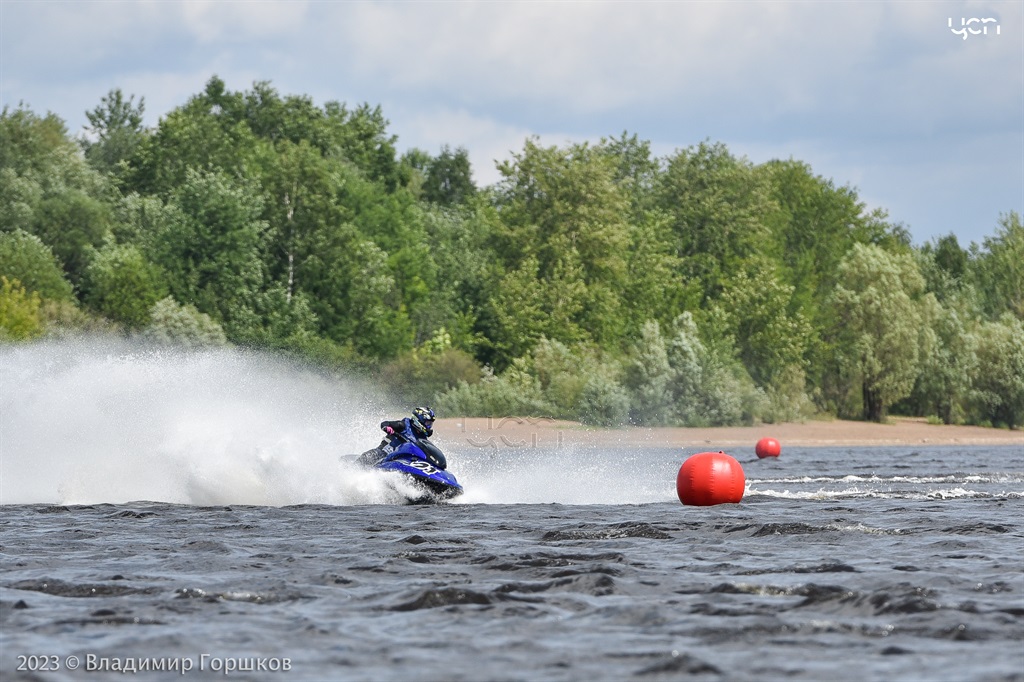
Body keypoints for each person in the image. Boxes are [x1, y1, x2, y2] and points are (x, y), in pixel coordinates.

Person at [357, 407, 447, 469]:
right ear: (418, 420)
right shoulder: (403, 425)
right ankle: (353, 468)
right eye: (427, 423)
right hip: (384, 454)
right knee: (369, 456)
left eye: (430, 424)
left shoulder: (422, 438)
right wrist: (387, 428)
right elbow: (384, 424)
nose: (429, 426)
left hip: (403, 460)